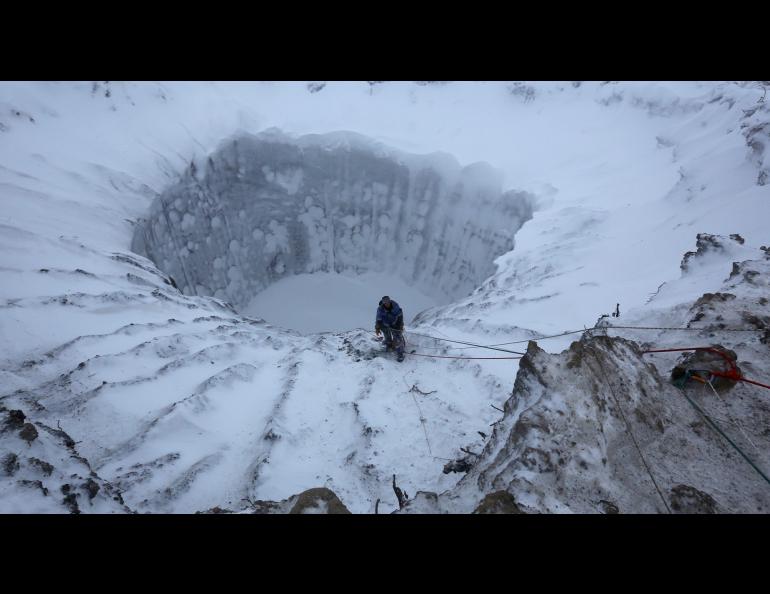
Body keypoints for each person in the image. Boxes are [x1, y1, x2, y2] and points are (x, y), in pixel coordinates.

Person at [375, 295, 405, 362]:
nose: (387, 303)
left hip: (396, 323)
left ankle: (400, 352)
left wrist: (400, 325)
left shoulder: (395, 307)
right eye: (385, 302)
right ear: (383, 303)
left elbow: (400, 316)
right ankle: (389, 345)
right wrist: (377, 328)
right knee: (386, 333)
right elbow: (378, 319)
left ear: (390, 301)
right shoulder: (380, 309)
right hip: (386, 324)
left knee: (397, 336)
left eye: (388, 301)